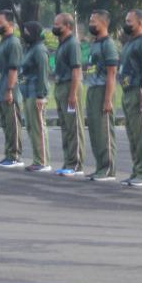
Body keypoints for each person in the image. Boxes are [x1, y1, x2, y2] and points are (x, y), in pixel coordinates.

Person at [119, 9, 142, 187]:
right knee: (133, 134)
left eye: (129, 21)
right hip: (127, 91)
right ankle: (137, 169)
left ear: (140, 22)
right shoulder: (129, 43)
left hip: (139, 91)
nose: (126, 24)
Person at [84, 10, 119, 182]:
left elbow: (112, 73)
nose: (91, 24)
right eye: (90, 20)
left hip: (103, 89)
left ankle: (108, 169)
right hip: (92, 88)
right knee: (94, 130)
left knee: (104, 131)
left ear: (104, 23)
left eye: (94, 21)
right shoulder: (95, 43)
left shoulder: (108, 44)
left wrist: (107, 99)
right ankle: (99, 166)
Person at [51, 14, 86, 177]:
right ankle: (68, 161)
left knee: (74, 127)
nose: (55, 27)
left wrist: (73, 94)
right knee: (65, 126)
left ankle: (76, 164)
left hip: (70, 87)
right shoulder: (62, 44)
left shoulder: (72, 44)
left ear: (68, 26)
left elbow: (76, 70)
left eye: (58, 25)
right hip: (61, 87)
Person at [0, 10, 24, 168]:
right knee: (5, 124)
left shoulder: (13, 43)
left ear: (10, 24)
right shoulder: (3, 41)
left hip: (8, 89)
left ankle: (15, 156)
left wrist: (10, 89)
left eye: (0, 23)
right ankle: (8, 154)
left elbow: (13, 69)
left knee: (13, 124)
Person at [18, 21, 52, 173]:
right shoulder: (30, 49)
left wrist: (41, 95)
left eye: (26, 31)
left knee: (38, 127)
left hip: (35, 93)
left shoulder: (39, 50)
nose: (24, 34)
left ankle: (43, 161)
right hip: (27, 93)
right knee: (32, 127)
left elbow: (43, 73)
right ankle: (37, 159)